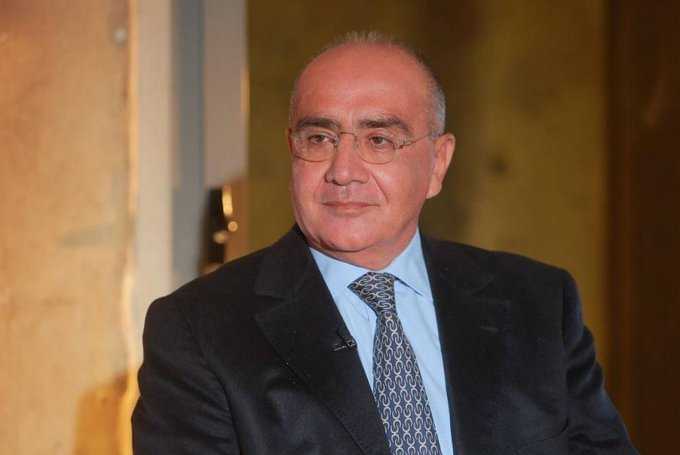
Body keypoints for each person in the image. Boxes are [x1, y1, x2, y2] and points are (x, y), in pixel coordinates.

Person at [132, 31, 637, 454]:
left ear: (438, 163)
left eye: (379, 140)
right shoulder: (199, 331)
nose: (343, 171)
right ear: (292, 150)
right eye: (319, 139)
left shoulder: (537, 302)